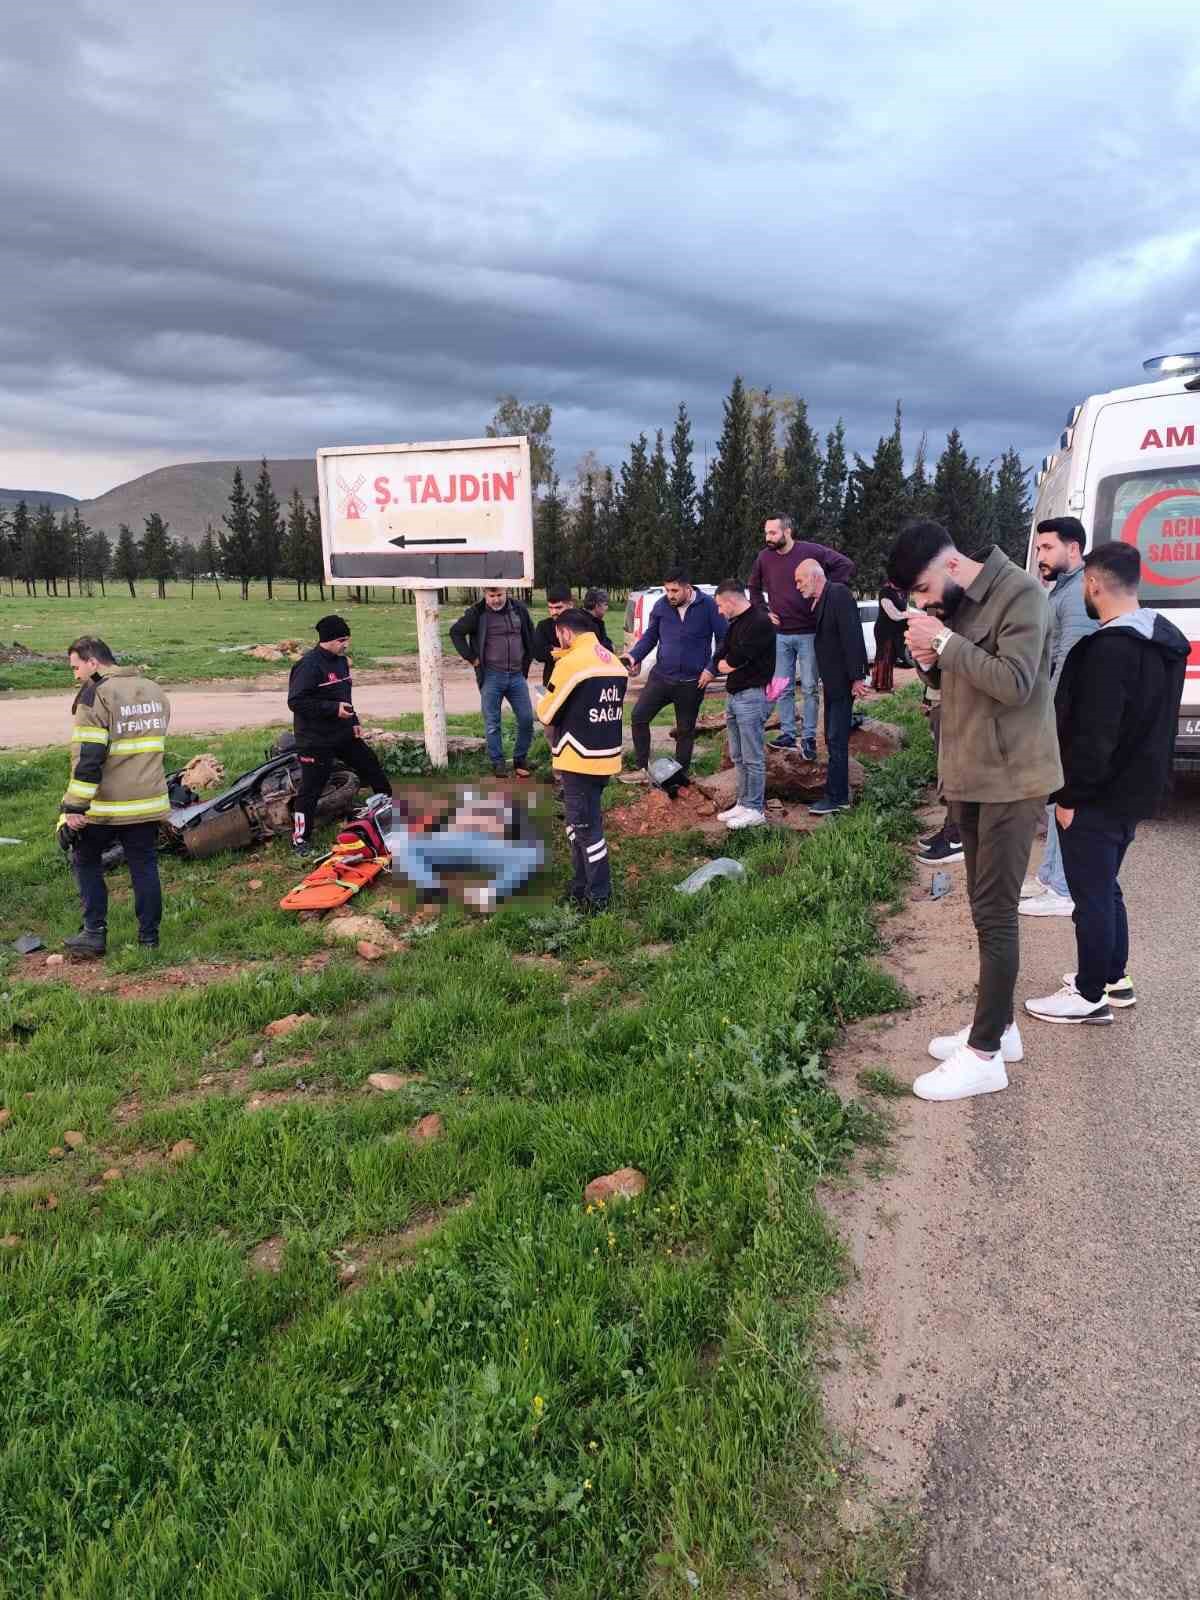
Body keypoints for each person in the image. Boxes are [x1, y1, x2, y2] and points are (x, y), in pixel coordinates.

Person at [889, 520, 1062, 1102]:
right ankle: (1002, 1027)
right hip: (969, 776)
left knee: (995, 913)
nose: (922, 603)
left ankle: (985, 1055)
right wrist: (926, 657)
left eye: (921, 591)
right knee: (982, 908)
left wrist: (943, 642)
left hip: (1011, 780)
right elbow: (954, 677)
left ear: (950, 566)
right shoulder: (957, 603)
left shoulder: (1022, 593)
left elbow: (1015, 682)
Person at [1025, 543, 1188, 1025]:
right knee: (1105, 885)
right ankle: (1114, 978)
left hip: (1097, 795)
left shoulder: (1108, 649)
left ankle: (1089, 994)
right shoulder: (1165, 640)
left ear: (1093, 584)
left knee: (1090, 896)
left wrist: (1070, 797)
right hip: (1138, 789)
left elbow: (1095, 735)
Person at [58, 637, 172, 956]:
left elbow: (89, 757)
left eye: (76, 667)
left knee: (84, 858)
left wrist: (75, 806)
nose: (75, 675)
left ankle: (94, 933)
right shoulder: (153, 689)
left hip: (109, 803)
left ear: (93, 662)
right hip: (148, 800)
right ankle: (149, 939)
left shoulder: (96, 695)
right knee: (144, 866)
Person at [1018, 517, 1099, 920]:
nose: (1040, 556)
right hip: (1055, 716)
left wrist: (1047, 716)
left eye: (1047, 548)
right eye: (1038, 549)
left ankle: (1065, 888)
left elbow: (1072, 665)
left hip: (1065, 718)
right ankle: (1050, 877)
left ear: (1073, 549)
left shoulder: (1077, 595)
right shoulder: (1061, 591)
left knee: (1066, 802)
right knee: (1054, 802)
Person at [537, 608, 628, 912]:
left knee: (587, 830)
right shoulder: (613, 661)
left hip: (577, 759)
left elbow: (547, 713)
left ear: (565, 633)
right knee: (579, 825)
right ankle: (579, 887)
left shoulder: (571, 664)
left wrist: (542, 698)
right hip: (606, 757)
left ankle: (599, 898)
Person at [748, 514, 856, 759]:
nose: (768, 538)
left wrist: (825, 592)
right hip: (780, 635)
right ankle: (787, 733)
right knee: (782, 688)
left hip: (809, 633)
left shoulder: (811, 551)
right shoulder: (764, 558)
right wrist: (763, 611)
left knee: (809, 687)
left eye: (772, 533)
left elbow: (845, 565)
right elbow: (753, 588)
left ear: (787, 531)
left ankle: (808, 737)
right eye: (766, 533)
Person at [287, 615, 392, 857]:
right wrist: (332, 709)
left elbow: (345, 695)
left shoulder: (341, 662)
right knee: (311, 788)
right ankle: (300, 839)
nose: (346, 644)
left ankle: (390, 812)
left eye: (348, 640)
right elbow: (296, 702)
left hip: (342, 733)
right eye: (342, 640)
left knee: (371, 765)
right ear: (328, 640)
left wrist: (353, 720)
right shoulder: (308, 666)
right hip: (315, 739)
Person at [623, 571, 727, 786]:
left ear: (688, 588)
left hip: (692, 682)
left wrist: (711, 669)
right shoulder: (661, 606)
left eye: (674, 590)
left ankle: (679, 776)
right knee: (638, 717)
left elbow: (725, 639)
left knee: (685, 730)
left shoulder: (708, 606)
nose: (669, 595)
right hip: (661, 677)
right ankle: (642, 768)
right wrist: (633, 656)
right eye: (666, 590)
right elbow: (650, 636)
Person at [391, 787, 545, 913]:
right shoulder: (468, 800)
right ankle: (432, 890)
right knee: (402, 845)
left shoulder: (509, 811)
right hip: (451, 843)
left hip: (487, 848)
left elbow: (522, 840)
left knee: (533, 854)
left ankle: (489, 895)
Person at [794, 559, 869, 816]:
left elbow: (852, 634)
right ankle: (835, 794)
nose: (798, 586)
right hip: (834, 682)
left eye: (800, 580)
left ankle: (837, 798)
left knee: (836, 739)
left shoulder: (837, 593)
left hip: (844, 681)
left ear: (815, 577)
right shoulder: (821, 600)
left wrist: (858, 676)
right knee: (831, 737)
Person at [449, 586, 536, 777]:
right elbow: (456, 632)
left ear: (507, 592)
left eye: (499, 595)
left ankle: (520, 759)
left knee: (527, 719)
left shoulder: (519, 610)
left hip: (516, 676)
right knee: (492, 722)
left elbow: (531, 634)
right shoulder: (477, 612)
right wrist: (472, 658)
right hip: (492, 676)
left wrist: (527, 661)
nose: (496, 600)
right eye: (492, 596)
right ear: (484, 594)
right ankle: (497, 762)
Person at [712, 580, 777, 830]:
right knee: (737, 755)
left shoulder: (760, 622)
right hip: (733, 695)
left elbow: (737, 658)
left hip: (751, 697)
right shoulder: (735, 624)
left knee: (753, 757)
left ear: (730, 600)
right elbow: (722, 655)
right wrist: (726, 662)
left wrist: (730, 661)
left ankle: (756, 808)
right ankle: (743, 802)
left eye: (719, 605)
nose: (719, 611)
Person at [915, 685, 964, 864]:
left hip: (956, 702)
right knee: (946, 771)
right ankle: (951, 829)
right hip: (942, 698)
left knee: (954, 772)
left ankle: (956, 838)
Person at [531, 584, 574, 689]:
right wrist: (569, 652)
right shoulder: (543, 626)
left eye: (559, 607)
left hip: (578, 682)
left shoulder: (584, 624)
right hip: (552, 683)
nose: (554, 612)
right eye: (551, 608)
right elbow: (538, 653)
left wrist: (553, 651)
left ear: (571, 605)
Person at [871, 581, 908, 693]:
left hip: (895, 631)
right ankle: (881, 685)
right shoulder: (885, 592)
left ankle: (887, 684)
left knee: (891, 657)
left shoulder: (902, 592)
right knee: (884, 656)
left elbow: (904, 609)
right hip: (884, 630)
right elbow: (894, 615)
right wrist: (909, 615)